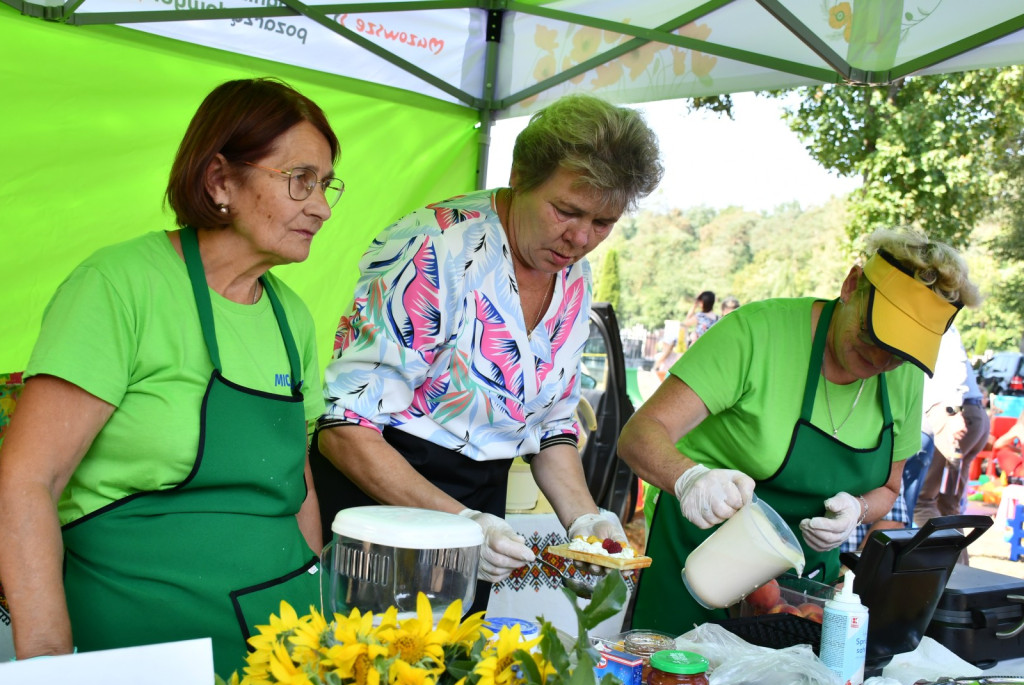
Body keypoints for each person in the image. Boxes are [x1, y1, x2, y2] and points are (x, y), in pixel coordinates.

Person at [0, 79, 340, 675]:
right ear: (219, 181)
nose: (321, 206)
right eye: (300, 180)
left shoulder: (293, 317)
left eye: (326, 185)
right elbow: (27, 480)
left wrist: (312, 610)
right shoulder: (119, 286)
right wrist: (47, 668)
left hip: (280, 639)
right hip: (145, 645)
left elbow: (298, 481)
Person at [310, 93, 664, 615]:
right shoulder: (434, 248)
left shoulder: (574, 279)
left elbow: (552, 426)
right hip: (384, 496)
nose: (580, 239)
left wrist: (587, 523)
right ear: (520, 174)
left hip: (479, 502)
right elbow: (345, 429)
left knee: (455, 673)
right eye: (566, 211)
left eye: (603, 222)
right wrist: (461, 523)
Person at [617, 227, 980, 635]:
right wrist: (690, 479)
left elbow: (891, 489)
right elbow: (639, 434)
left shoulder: (904, 378)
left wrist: (857, 512)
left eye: (898, 353)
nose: (880, 358)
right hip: (697, 566)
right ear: (853, 284)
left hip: (798, 595)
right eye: (873, 333)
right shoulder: (757, 333)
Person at [913, 325, 990, 565]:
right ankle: (959, 574)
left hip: (952, 413)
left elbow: (952, 356)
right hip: (971, 414)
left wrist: (953, 410)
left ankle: (947, 575)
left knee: (923, 503)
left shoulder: (938, 320)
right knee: (947, 505)